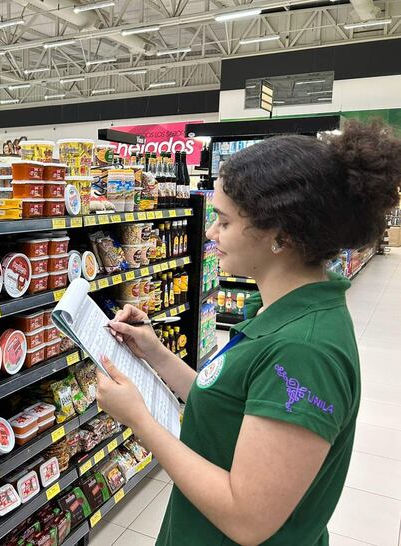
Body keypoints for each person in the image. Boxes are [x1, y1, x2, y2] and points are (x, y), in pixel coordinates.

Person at [96, 120, 401, 545]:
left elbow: (247, 519)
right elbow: (228, 398)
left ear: (280, 234)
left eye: (223, 221)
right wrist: (156, 354)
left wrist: (140, 421)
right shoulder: (279, 310)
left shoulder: (304, 350)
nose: (211, 233)